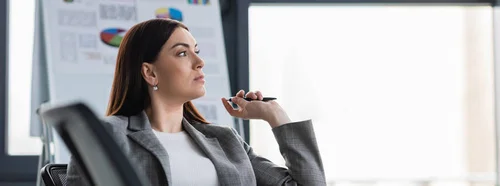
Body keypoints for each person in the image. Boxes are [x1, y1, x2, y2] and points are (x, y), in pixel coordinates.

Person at [65, 18, 326, 186]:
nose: (199, 62)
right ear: (150, 72)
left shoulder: (225, 140)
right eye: (182, 53)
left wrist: (275, 116)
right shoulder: (107, 136)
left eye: (197, 51)